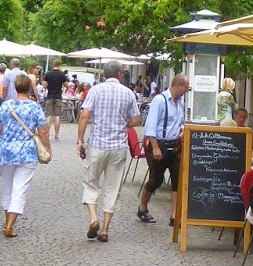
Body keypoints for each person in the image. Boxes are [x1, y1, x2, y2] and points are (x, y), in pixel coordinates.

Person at [77, 62, 142, 243]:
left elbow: (84, 115)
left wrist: (80, 140)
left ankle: (93, 219)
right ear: (120, 74)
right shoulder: (128, 93)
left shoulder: (95, 91)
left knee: (91, 182)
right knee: (113, 188)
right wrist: (123, 124)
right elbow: (136, 120)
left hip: (97, 145)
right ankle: (105, 229)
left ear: (105, 74)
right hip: (118, 147)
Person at [0, 72, 50, 238]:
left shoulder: (6, 105)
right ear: (29, 88)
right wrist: (48, 148)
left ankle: (7, 221)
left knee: (7, 187)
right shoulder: (34, 107)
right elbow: (42, 131)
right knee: (20, 189)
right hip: (27, 153)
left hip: (5, 152)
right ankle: (9, 225)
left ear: (15, 87)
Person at [137, 73, 190, 225]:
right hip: (159, 144)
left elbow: (180, 122)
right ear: (178, 85)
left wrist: (182, 131)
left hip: (175, 145)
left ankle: (174, 216)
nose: (187, 91)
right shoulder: (160, 100)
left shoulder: (180, 103)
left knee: (177, 180)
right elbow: (150, 126)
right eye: (186, 87)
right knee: (156, 180)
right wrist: (155, 147)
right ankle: (142, 208)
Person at [43, 61, 68, 136]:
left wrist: (49, 85)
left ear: (52, 65)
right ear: (59, 65)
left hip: (50, 96)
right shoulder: (62, 74)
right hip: (58, 96)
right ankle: (56, 135)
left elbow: (44, 86)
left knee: (49, 115)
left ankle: (47, 133)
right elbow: (66, 85)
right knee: (57, 116)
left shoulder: (48, 74)